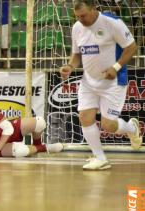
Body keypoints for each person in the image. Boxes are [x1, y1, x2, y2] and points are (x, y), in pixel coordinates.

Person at [59, 0, 142, 170]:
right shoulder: (77, 28)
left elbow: (131, 47)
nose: (80, 20)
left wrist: (116, 67)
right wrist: (70, 66)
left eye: (83, 15)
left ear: (94, 10)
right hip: (88, 82)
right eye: (77, 17)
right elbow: (76, 54)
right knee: (84, 117)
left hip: (113, 82)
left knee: (108, 126)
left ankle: (132, 128)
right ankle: (100, 158)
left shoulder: (112, 23)